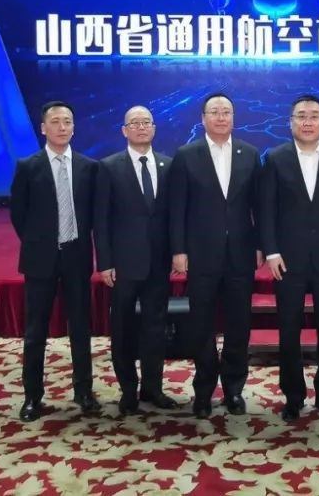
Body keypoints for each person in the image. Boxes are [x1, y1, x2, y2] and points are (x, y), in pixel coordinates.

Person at [259, 95, 319, 422]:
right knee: (289, 332)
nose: (308, 121)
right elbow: (266, 210)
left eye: (314, 116)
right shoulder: (275, 158)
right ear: (291, 122)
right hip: (288, 261)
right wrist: (271, 251)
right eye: (301, 115)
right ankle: (293, 396)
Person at [168, 93, 262, 419]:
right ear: (203, 118)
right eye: (214, 112)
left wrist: (260, 245)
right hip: (200, 254)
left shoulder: (249, 154)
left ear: (234, 117)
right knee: (201, 324)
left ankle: (234, 388)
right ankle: (204, 390)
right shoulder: (186, 155)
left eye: (226, 112)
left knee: (239, 324)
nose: (221, 117)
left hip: (240, 254)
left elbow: (259, 206)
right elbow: (177, 208)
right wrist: (179, 250)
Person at [9, 100, 100, 422]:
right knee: (36, 331)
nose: (62, 127)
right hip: (40, 259)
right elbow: (18, 214)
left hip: (77, 257)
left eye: (68, 121)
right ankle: (32, 396)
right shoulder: (28, 166)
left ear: (74, 127)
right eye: (56, 121)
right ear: (43, 128)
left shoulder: (89, 167)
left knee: (81, 328)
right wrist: (41, 242)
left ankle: (84, 391)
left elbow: (94, 214)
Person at [94, 105, 179, 417]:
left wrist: (178, 252)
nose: (141, 127)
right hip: (123, 264)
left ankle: (153, 388)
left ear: (154, 128)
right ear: (124, 130)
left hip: (158, 263)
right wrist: (105, 261)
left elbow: (175, 215)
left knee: (155, 328)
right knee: (123, 329)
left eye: (146, 122)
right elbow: (101, 219)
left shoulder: (169, 165)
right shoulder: (108, 167)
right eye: (135, 123)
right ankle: (128, 391)